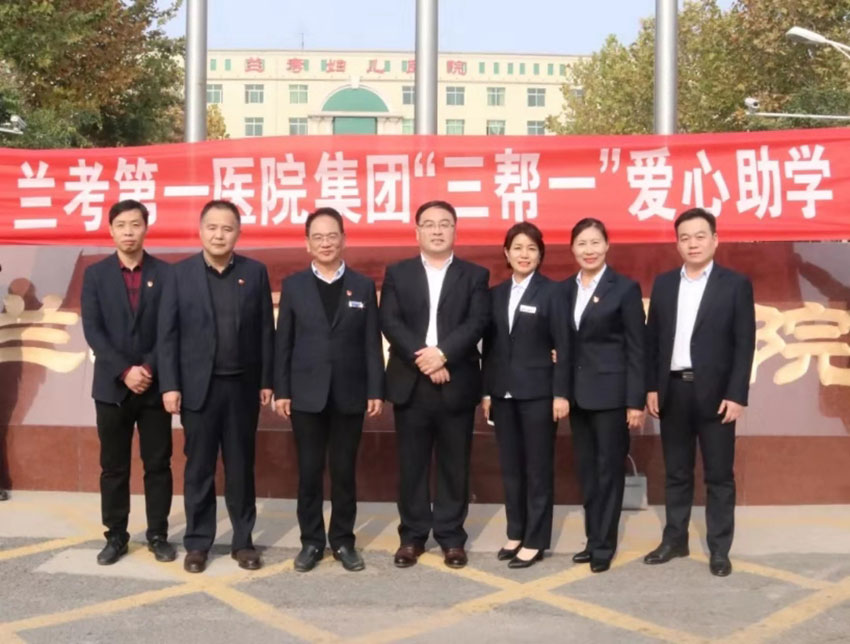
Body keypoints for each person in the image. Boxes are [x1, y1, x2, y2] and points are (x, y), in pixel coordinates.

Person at [158, 200, 274, 574]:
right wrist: (170, 385)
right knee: (199, 469)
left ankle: (243, 541)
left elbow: (265, 331)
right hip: (198, 390)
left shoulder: (254, 273)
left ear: (238, 233)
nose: (219, 235)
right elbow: (167, 335)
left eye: (227, 228)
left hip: (242, 388)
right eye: (212, 227)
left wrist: (267, 379)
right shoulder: (179, 275)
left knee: (240, 467)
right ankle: (197, 543)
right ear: (200, 230)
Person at [644, 208, 755, 577]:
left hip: (717, 395)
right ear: (677, 244)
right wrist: (651, 386)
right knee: (676, 472)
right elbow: (653, 340)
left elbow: (744, 343)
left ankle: (719, 549)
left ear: (715, 240)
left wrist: (737, 394)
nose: (692, 243)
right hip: (673, 390)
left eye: (700, 236)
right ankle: (675, 539)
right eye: (685, 238)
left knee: (719, 475)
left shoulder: (735, 284)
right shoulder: (664, 284)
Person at [380, 200, 490, 569]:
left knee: (454, 464)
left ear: (455, 230)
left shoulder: (474, 275)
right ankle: (412, 537)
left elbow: (476, 322)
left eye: (445, 224)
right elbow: (390, 321)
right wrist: (425, 359)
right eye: (429, 224)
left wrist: (442, 354)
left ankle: (451, 537)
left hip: (455, 380)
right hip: (411, 383)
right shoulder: (398, 273)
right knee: (411, 465)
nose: (437, 230)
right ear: (417, 232)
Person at [274, 207, 384, 573]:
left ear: (343, 240)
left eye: (332, 236)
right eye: (318, 237)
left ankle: (343, 541)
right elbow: (283, 342)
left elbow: (371, 342)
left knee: (343, 472)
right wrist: (282, 390)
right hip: (306, 395)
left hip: (350, 393)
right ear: (307, 244)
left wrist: (375, 389)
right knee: (309, 472)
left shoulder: (362, 285)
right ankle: (311, 542)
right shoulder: (294, 286)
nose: (325, 243)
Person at [80, 200, 176, 566]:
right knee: (114, 467)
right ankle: (116, 535)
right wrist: (124, 371)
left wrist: (147, 368)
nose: (129, 232)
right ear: (111, 230)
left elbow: (169, 329)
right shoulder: (96, 274)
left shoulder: (165, 274)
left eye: (135, 224)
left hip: (153, 385)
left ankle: (158, 535)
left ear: (146, 228)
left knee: (158, 464)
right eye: (121, 225)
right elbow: (94, 330)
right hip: (112, 388)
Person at [481, 222, 570, 569]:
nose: (524, 254)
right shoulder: (495, 294)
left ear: (540, 254)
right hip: (502, 394)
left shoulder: (553, 292)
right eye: (517, 248)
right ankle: (516, 532)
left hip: (539, 394)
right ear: (507, 253)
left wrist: (560, 393)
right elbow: (490, 348)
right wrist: (487, 392)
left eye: (531, 249)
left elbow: (563, 345)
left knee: (537, 469)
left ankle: (535, 539)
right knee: (510, 468)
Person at [563, 218, 645, 574]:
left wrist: (635, 401)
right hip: (577, 398)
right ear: (572, 249)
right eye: (582, 243)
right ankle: (592, 538)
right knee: (587, 471)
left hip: (612, 396)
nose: (589, 250)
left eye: (595, 242)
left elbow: (637, 348)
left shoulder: (624, 289)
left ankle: (604, 546)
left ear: (607, 245)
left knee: (608, 471)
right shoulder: (565, 289)